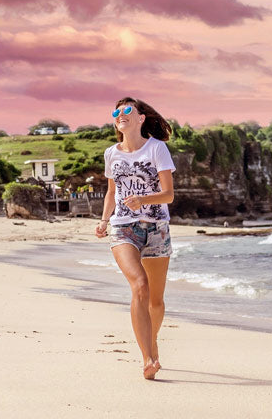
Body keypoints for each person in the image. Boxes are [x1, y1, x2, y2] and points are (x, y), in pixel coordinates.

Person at [95, 97, 176, 380]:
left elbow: (168, 194)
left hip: (156, 228)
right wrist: (105, 220)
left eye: (127, 109)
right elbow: (110, 191)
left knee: (156, 300)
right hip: (122, 228)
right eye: (116, 111)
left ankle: (151, 342)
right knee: (139, 285)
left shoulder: (157, 148)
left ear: (141, 118)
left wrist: (143, 198)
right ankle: (148, 358)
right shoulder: (111, 153)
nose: (120, 114)